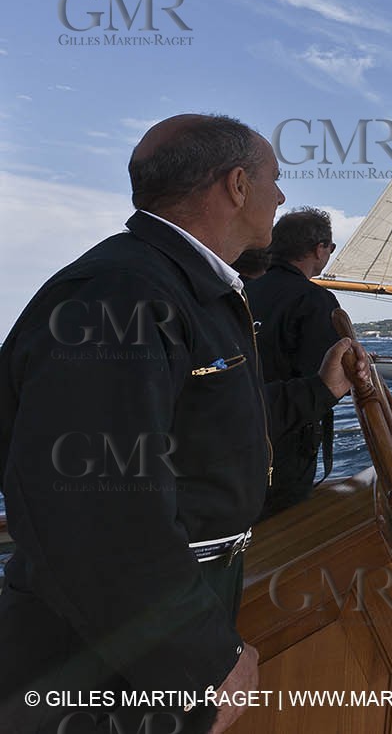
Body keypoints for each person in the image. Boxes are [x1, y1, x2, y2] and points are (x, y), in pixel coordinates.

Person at [0, 114, 371, 734]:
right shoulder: (120, 295)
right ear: (235, 186)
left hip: (165, 608)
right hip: (107, 649)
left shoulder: (188, 290)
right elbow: (91, 506)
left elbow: (215, 427)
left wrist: (321, 389)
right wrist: (198, 657)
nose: (281, 198)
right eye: (273, 180)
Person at [246, 208, 348, 520]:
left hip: (241, 435)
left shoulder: (241, 292)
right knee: (282, 524)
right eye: (331, 248)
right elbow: (326, 382)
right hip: (289, 444)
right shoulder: (315, 301)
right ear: (320, 249)